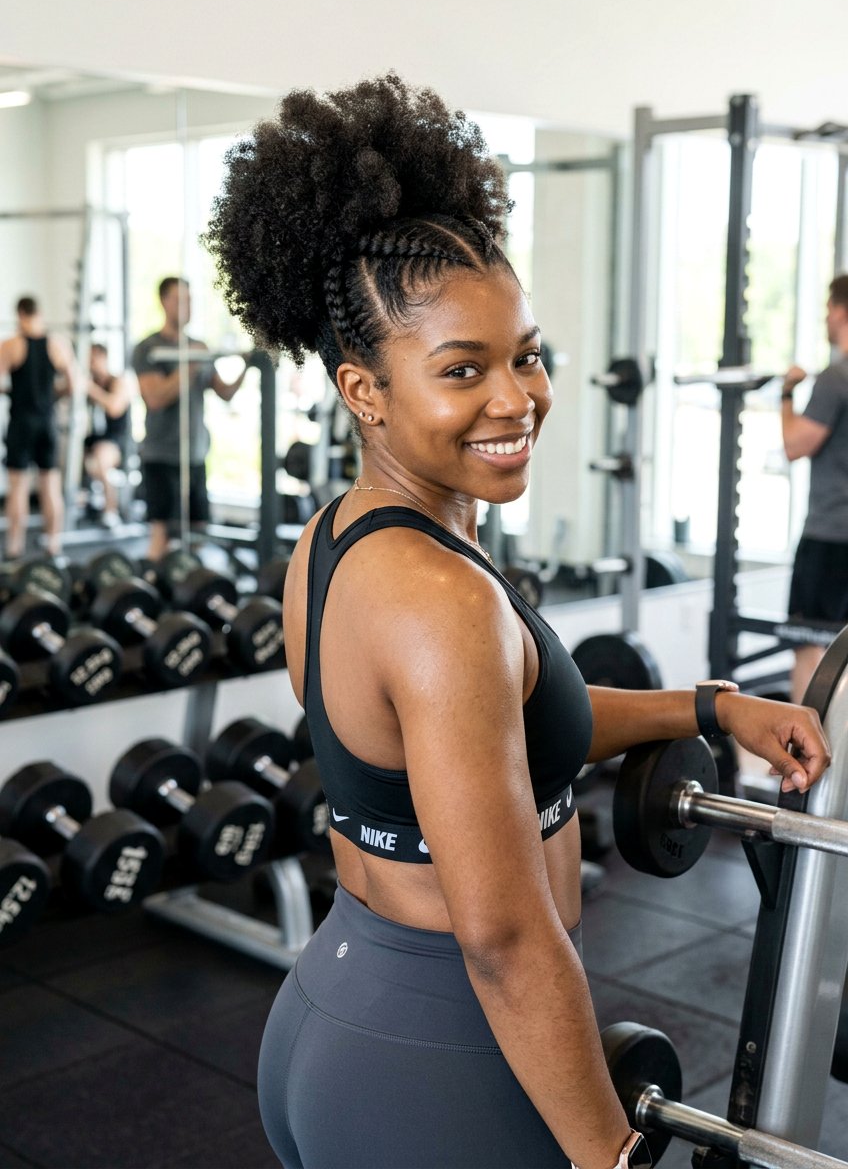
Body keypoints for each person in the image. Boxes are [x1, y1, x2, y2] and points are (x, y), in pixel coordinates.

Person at [205, 74, 831, 1169]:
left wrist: (707, 704)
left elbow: (473, 754)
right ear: (363, 389)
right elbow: (500, 934)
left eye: (524, 353)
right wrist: (607, 1152)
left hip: (340, 1003)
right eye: (462, 370)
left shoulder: (336, 539)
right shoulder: (441, 601)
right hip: (442, 1052)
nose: (516, 398)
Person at [131, 276, 249, 559]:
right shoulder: (147, 348)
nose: (187, 306)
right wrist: (191, 363)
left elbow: (225, 393)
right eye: (180, 299)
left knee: (198, 531)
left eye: (191, 300)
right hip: (161, 454)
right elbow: (155, 398)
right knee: (160, 534)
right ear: (164, 302)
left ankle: (190, 588)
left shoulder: (199, 346)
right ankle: (156, 591)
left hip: (195, 453)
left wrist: (247, 363)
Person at [782, 273, 848, 703]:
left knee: (809, 644)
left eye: (828, 309)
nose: (826, 317)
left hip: (829, 537)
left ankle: (800, 754)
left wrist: (786, 393)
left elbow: (794, 445)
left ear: (841, 311)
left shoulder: (834, 378)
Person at [0, 296, 78, 558]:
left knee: (18, 487)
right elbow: (72, 384)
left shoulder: (11, 345)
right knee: (50, 486)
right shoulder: (58, 345)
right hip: (48, 422)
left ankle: (14, 548)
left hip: (21, 422)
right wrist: (51, 395)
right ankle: (53, 545)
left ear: (20, 313)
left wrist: (13, 391)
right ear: (39, 313)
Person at [84, 341, 131, 528]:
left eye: (94, 358)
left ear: (104, 358)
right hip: (94, 439)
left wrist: (90, 389)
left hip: (117, 440)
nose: (90, 362)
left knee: (101, 459)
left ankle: (111, 510)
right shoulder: (90, 381)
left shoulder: (118, 381)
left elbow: (114, 407)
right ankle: (86, 500)